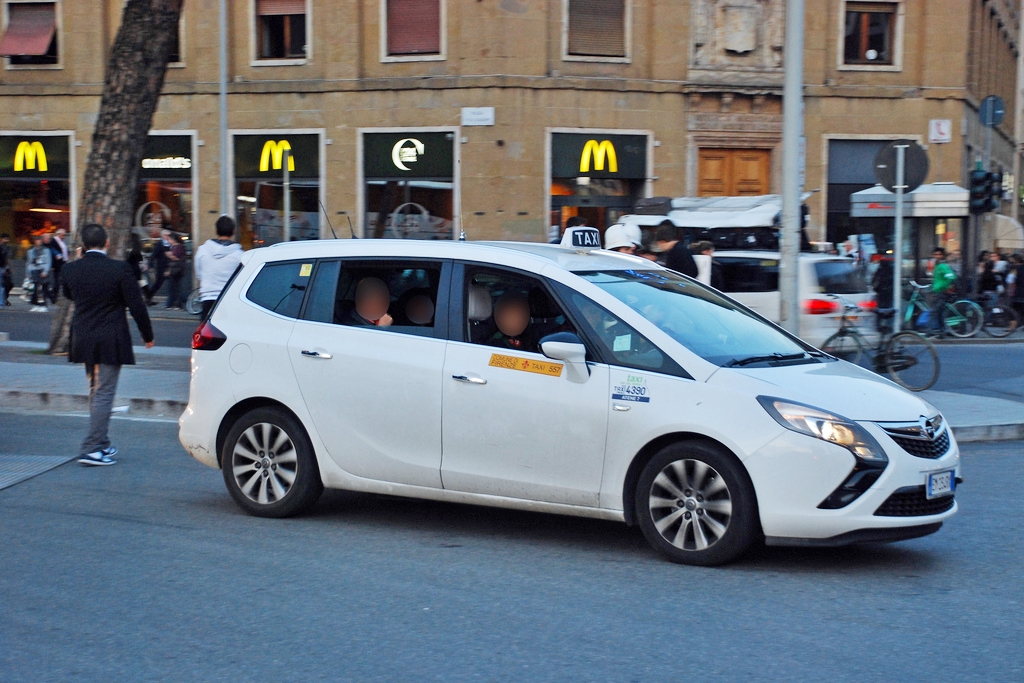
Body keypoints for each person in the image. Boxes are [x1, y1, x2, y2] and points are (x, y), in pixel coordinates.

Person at [61, 224, 154, 466]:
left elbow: (70, 295)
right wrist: (147, 335)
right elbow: (137, 305)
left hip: (83, 337)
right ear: (107, 243)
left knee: (95, 389)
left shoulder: (70, 270)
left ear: (82, 245)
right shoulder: (120, 269)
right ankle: (91, 447)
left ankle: (101, 443)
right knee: (103, 392)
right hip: (111, 337)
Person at [194, 216, 244, 318]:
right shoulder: (240, 255)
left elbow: (199, 274)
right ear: (234, 231)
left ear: (216, 231)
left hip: (207, 298)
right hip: (229, 298)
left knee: (207, 332)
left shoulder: (202, 250)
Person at [930, 247, 957, 337]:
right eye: (935, 254)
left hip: (941, 292)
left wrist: (943, 286)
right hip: (938, 291)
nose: (937, 256)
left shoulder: (943, 266)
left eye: (939, 254)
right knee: (939, 312)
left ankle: (934, 331)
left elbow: (951, 277)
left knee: (936, 311)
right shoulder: (937, 265)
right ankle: (941, 331)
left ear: (942, 255)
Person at [25, 234, 52, 311]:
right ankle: (36, 304)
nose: (39, 242)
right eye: (37, 240)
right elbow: (29, 262)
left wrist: (45, 271)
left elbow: (48, 261)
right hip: (34, 270)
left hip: (42, 270)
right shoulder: (31, 251)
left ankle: (43, 305)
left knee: (42, 289)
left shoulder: (46, 250)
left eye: (40, 240)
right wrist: (28, 273)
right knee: (34, 289)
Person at [146, 228, 172, 305]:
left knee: (173, 283)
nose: (169, 236)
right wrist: (150, 266)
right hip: (161, 268)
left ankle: (174, 300)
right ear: (163, 236)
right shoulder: (159, 245)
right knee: (157, 284)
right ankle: (148, 298)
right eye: (167, 235)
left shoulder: (170, 244)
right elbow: (153, 256)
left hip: (170, 267)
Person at [164, 233, 188, 310]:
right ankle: (172, 303)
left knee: (176, 288)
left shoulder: (178, 247)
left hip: (177, 270)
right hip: (174, 270)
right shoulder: (174, 247)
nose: (168, 241)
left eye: (169, 239)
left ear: (173, 240)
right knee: (173, 287)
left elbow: (175, 257)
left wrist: (168, 254)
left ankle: (178, 304)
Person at [49, 227, 69, 298]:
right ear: (59, 234)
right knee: (57, 279)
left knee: (62, 278)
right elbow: (51, 251)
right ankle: (53, 294)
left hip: (63, 262)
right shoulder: (53, 241)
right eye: (63, 235)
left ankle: (58, 293)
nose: (64, 237)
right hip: (57, 264)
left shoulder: (62, 242)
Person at [0, 233, 12, 307]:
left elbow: (8, 258)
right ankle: (2, 301)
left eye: (7, 239)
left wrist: (10, 268)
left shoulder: (7, 248)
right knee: (2, 286)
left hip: (4, 268)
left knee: (7, 285)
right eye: (5, 238)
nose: (7, 240)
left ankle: (3, 300)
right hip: (2, 267)